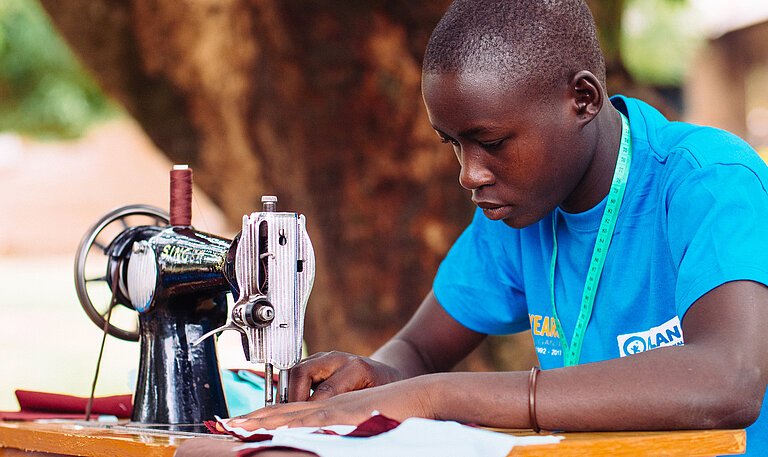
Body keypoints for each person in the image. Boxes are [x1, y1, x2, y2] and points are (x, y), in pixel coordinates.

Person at [222, 0, 768, 454]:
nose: (468, 173)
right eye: (453, 145)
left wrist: (436, 397)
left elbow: (728, 378)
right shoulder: (520, 209)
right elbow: (416, 352)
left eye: (492, 142)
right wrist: (370, 381)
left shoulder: (708, 182)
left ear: (583, 99)